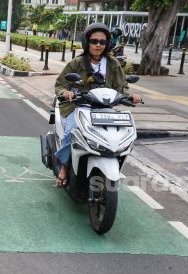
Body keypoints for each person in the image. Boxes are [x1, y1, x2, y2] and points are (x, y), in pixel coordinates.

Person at [53, 22, 142, 187]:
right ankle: (64, 167)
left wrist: (131, 97)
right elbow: (60, 84)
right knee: (74, 132)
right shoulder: (77, 63)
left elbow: (122, 87)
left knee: (119, 134)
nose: (98, 45)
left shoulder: (113, 64)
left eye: (102, 41)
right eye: (94, 41)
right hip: (77, 106)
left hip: (103, 108)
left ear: (107, 44)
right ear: (87, 42)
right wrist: (66, 93)